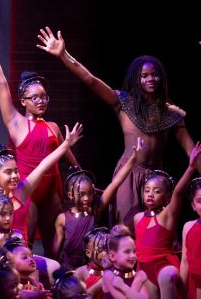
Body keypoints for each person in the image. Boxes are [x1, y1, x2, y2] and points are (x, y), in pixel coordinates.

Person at [37, 27, 196, 229]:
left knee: (155, 231)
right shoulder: (123, 103)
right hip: (128, 175)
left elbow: (192, 152)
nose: (150, 79)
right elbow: (90, 80)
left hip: (156, 180)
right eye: (144, 75)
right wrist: (63, 55)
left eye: (154, 75)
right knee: (125, 230)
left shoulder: (171, 113)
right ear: (136, 79)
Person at [0, 25, 80, 256]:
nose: (41, 101)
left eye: (44, 97)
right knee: (24, 242)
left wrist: (79, 172)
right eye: (35, 98)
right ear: (23, 100)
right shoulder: (16, 123)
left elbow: (66, 153)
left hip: (50, 190)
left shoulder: (52, 127)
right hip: (27, 191)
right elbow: (2, 84)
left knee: (54, 244)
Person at [0, 122, 84, 243]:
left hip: (22, 252)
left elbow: (43, 166)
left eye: (16, 171)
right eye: (8, 172)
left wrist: (66, 144)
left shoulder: (21, 192)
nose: (14, 176)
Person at [53, 137, 142, 269]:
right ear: (70, 195)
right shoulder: (62, 218)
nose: (86, 198)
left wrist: (133, 159)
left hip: (91, 268)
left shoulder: (95, 210)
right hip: (69, 269)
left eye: (90, 193)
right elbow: (56, 250)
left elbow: (115, 184)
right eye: (81, 194)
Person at [132, 143, 200, 299]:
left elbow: (178, 192)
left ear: (167, 196)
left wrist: (191, 167)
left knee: (166, 279)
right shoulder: (138, 218)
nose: (150, 194)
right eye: (147, 190)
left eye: (157, 191)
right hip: (144, 268)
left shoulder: (167, 215)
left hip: (163, 266)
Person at [101, 225, 148, 299]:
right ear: (112, 256)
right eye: (127, 252)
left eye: (134, 251)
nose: (133, 256)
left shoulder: (138, 275)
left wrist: (124, 286)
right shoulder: (109, 275)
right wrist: (137, 281)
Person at [74, 227, 110, 299]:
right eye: (101, 249)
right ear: (88, 253)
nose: (106, 253)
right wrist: (101, 284)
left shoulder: (116, 270)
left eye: (109, 247)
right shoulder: (80, 272)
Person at [181, 178, 201, 299]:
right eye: (200, 201)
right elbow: (184, 261)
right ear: (193, 205)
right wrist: (182, 292)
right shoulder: (188, 227)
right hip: (194, 283)